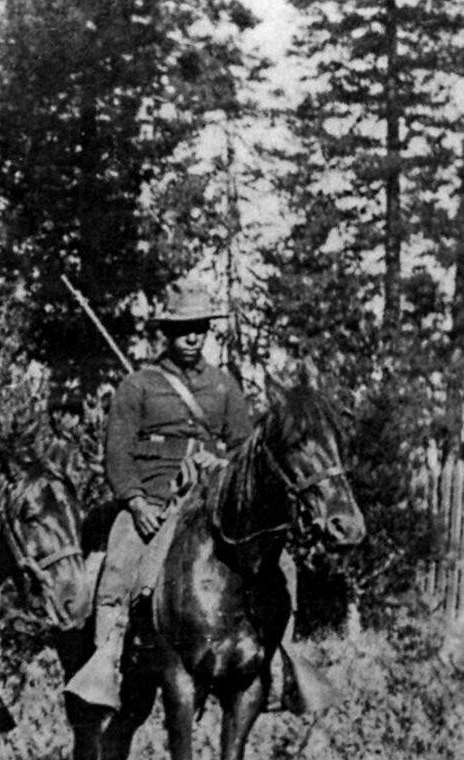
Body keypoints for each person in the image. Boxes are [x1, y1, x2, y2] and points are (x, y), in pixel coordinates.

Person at [68, 282, 329, 713]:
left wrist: (217, 460)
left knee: (282, 566)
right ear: (166, 333)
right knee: (120, 563)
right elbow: (117, 454)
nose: (193, 337)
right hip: (153, 499)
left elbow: (246, 451)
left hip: (211, 500)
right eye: (184, 328)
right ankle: (106, 659)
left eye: (200, 328)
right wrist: (136, 502)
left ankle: (280, 663)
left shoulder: (224, 387)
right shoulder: (137, 387)